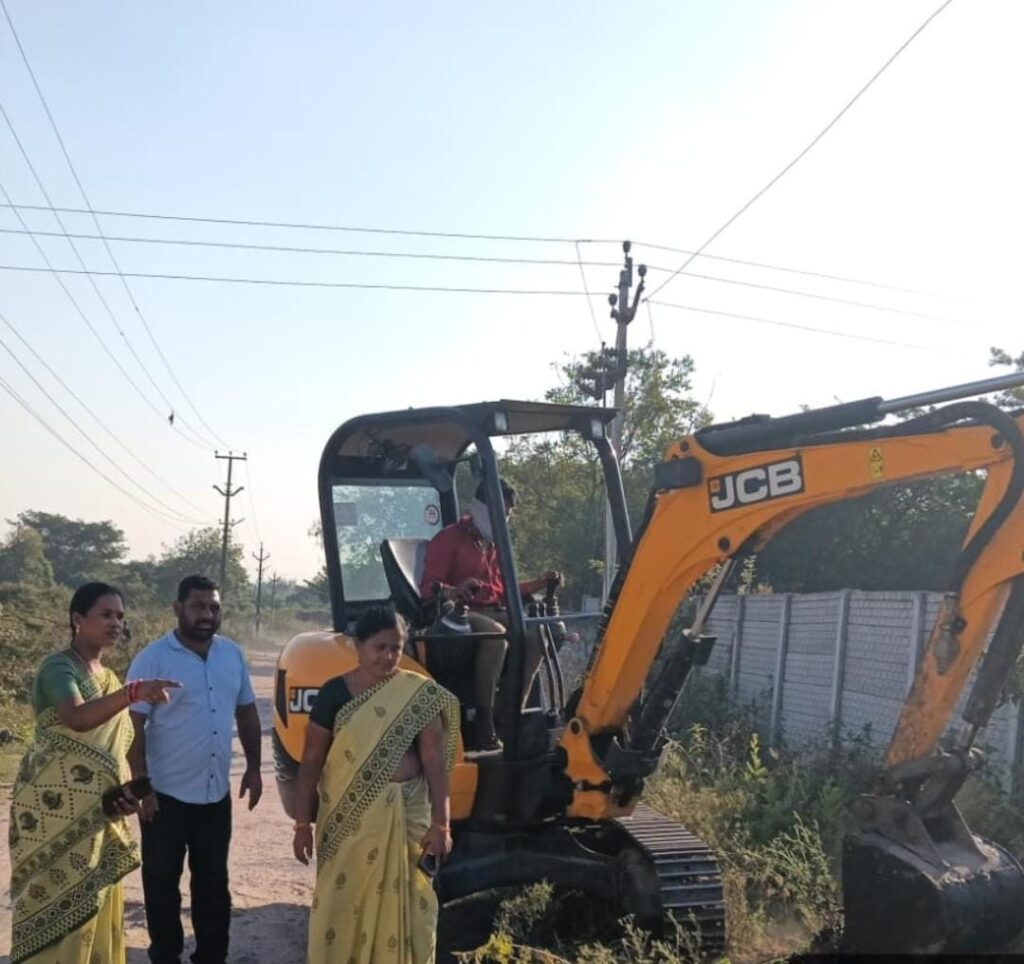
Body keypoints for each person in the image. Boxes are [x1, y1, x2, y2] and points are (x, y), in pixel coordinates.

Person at [8, 582, 179, 964]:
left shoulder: (110, 678)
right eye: (106, 614)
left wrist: (128, 791)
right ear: (77, 619)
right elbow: (77, 717)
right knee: (56, 902)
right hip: (50, 811)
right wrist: (134, 692)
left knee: (94, 902)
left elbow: (118, 745)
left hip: (100, 810)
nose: (116, 623)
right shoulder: (58, 667)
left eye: (120, 616)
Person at [292, 605, 460, 964]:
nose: (387, 656)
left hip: (408, 819)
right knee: (342, 906)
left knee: (415, 911)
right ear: (359, 646)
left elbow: (434, 762)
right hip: (350, 823)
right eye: (379, 647)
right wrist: (302, 823)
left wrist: (442, 824)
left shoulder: (417, 694)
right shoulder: (334, 694)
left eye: (395, 648)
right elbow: (311, 762)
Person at [126, 574, 263, 964]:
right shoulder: (153, 658)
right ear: (178, 608)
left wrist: (254, 768)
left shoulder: (231, 655)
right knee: (161, 884)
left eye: (214, 607)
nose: (207, 614)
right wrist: (142, 786)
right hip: (163, 796)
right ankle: (165, 956)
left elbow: (246, 711)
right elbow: (132, 725)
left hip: (214, 795)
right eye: (198, 606)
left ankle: (211, 957)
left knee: (213, 885)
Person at [418, 479, 561, 750]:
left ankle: (510, 715)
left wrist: (539, 583)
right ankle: (485, 723)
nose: (504, 519)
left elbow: (502, 590)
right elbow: (428, 587)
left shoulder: (493, 545)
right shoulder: (448, 539)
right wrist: (455, 590)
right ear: (481, 508)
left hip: (492, 609)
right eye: (501, 512)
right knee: (496, 636)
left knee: (537, 634)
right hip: (457, 614)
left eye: (507, 514)